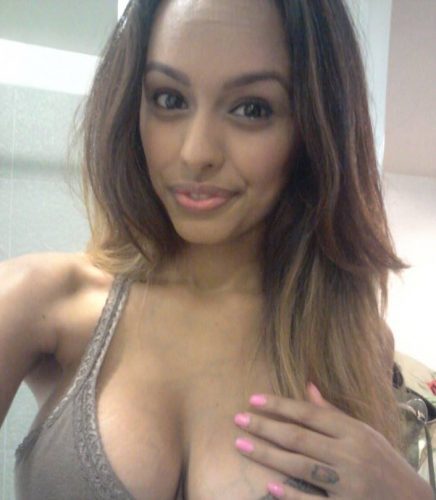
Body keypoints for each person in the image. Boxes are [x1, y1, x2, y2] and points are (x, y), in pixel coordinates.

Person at [0, 0, 433, 498]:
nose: (196, 152)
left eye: (252, 109)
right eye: (169, 99)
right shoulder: (35, 301)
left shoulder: (353, 343)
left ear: (313, 129)